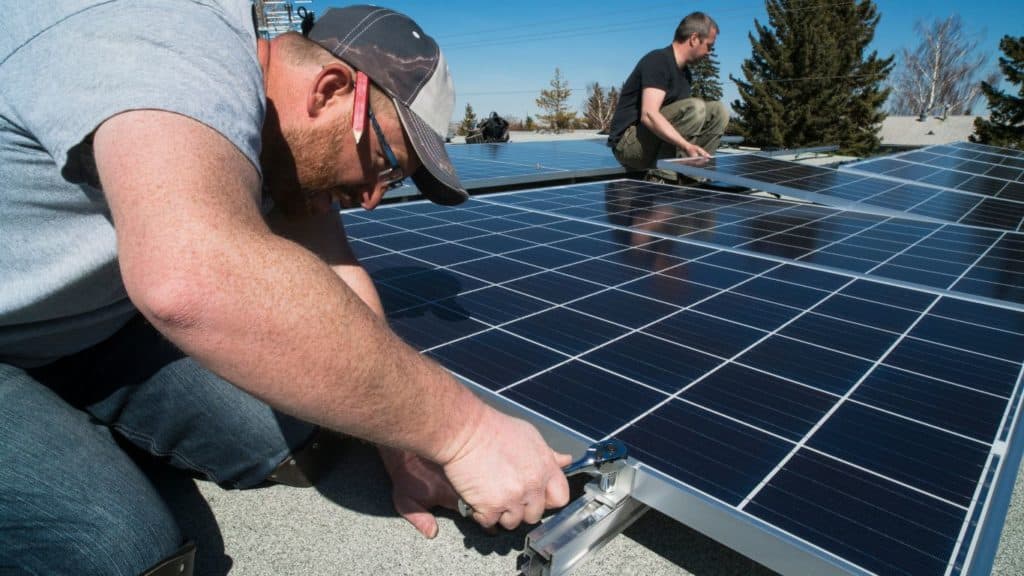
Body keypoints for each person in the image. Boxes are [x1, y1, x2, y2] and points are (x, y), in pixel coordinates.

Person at [0, 4, 570, 575]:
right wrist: (466, 433)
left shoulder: (285, 139)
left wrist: (402, 444)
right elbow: (192, 281)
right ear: (329, 90)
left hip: (88, 325)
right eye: (385, 162)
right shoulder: (173, 37)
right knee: (124, 554)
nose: (373, 197)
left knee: (297, 438)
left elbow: (337, 269)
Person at [607, 12, 729, 182]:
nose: (709, 52)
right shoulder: (658, 61)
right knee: (695, 108)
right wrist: (686, 145)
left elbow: (682, 122)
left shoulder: (686, 75)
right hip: (629, 147)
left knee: (718, 111)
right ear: (694, 39)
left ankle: (694, 175)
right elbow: (649, 115)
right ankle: (662, 179)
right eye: (709, 46)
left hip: (654, 145)